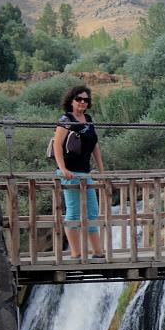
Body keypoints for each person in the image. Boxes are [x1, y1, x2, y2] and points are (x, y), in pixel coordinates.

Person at [52, 85, 105, 261]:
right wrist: (64, 169)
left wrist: (102, 170)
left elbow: (95, 146)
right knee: (74, 212)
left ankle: (97, 252)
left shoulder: (88, 119)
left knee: (92, 211)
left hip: (85, 172)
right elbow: (57, 145)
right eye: (79, 99)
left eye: (86, 100)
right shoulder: (66, 119)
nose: (83, 102)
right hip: (69, 172)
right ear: (71, 101)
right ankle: (76, 254)